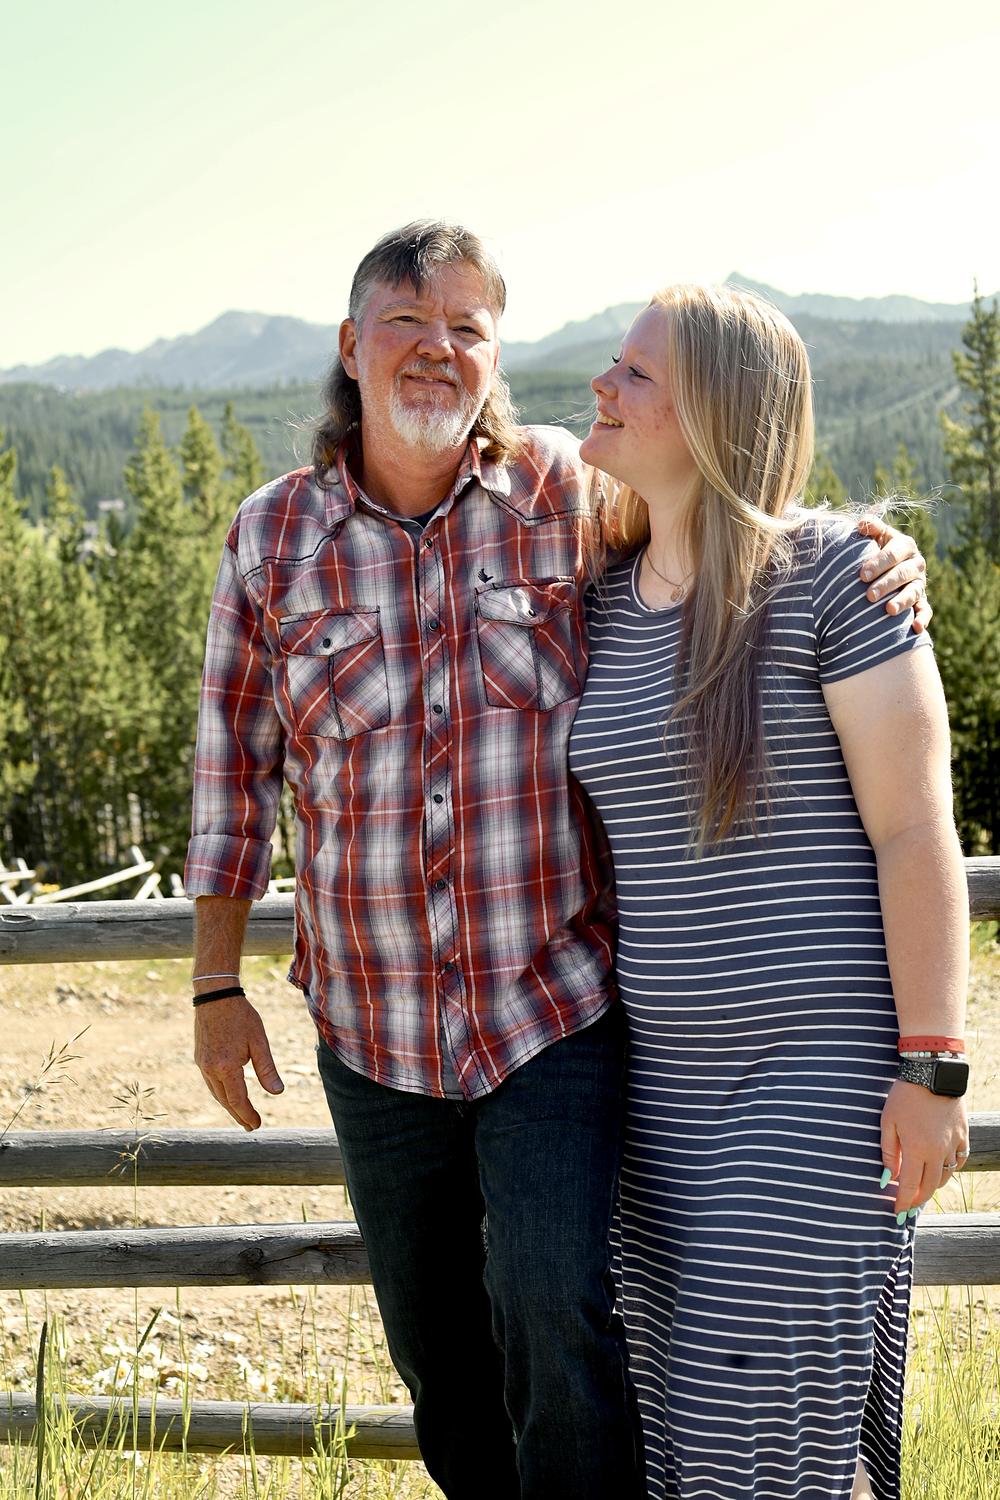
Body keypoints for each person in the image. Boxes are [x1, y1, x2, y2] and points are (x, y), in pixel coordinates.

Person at [185, 222, 929, 1500]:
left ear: (494, 356)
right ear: (351, 346)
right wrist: (213, 984)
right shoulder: (272, 538)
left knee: (560, 1313)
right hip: (372, 1023)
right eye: (406, 322)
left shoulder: (565, 494)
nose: (437, 349)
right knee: (439, 1352)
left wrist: (864, 544)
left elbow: (724, 503)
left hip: (553, 1012)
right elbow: (230, 777)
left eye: (466, 327)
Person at [569, 283, 969, 1500]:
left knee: (751, 1424)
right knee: (684, 1434)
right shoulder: (597, 599)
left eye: (636, 374)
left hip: (813, 1083)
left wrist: (933, 1067)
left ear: (717, 414)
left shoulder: (838, 581)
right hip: (653, 1099)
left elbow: (914, 829)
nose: (602, 385)